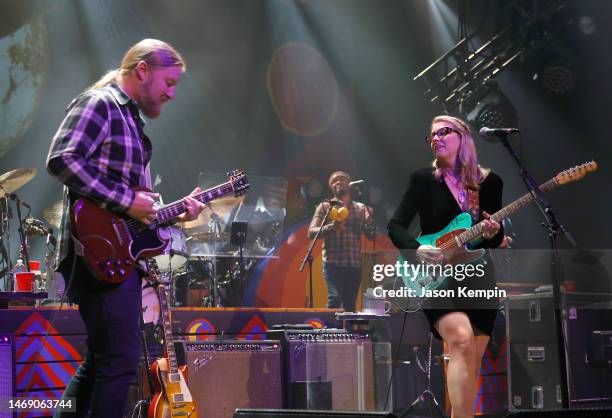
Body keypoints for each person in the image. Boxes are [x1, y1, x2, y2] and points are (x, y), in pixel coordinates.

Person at [46, 39, 205, 417]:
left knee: (103, 361)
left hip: (114, 253)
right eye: (169, 82)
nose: (171, 93)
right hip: (95, 254)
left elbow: (133, 206)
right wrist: (126, 201)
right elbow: (60, 158)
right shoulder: (100, 103)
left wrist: (171, 212)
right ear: (143, 71)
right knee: (118, 362)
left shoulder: (130, 119)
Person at [387, 115, 503, 418]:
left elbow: (491, 238)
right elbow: (395, 226)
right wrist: (417, 248)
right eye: (432, 135)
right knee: (461, 339)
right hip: (435, 277)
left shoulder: (489, 182)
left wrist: (493, 232)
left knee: (471, 359)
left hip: (477, 276)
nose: (436, 139)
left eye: (443, 132)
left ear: (463, 136)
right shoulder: (423, 179)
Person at [308, 171, 375, 312]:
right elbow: (311, 232)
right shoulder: (325, 207)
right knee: (335, 299)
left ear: (349, 184)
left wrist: (369, 223)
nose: (338, 182)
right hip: (333, 263)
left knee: (350, 305)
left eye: (342, 179)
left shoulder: (360, 208)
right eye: (334, 181)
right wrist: (331, 227)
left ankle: (348, 334)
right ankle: (330, 332)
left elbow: (371, 236)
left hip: (354, 264)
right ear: (331, 187)